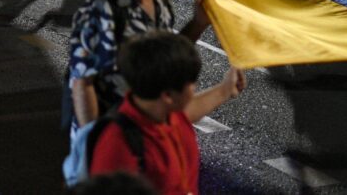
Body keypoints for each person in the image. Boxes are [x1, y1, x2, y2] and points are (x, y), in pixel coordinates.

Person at [67, 0, 223, 140]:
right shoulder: (102, 7)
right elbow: (83, 83)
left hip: (147, 132)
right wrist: (94, 145)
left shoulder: (159, 2)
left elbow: (165, 56)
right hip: (111, 138)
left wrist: (198, 23)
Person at [87, 31, 246, 193]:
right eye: (191, 84)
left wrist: (225, 90)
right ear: (168, 96)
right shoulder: (118, 147)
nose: (195, 89)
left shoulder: (163, 112)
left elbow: (188, 111)